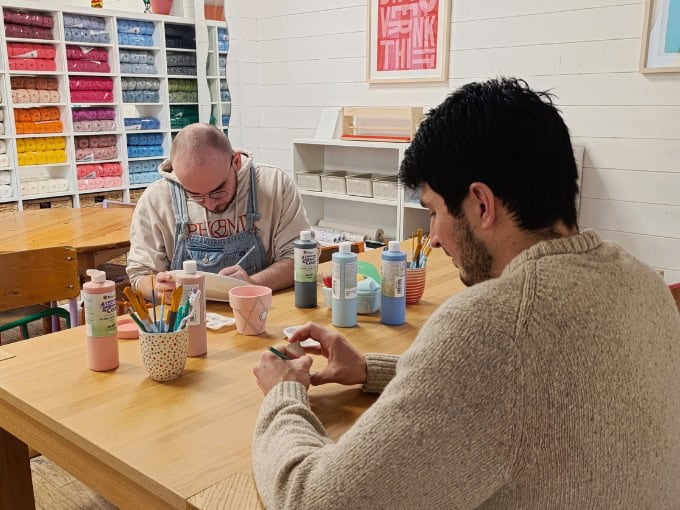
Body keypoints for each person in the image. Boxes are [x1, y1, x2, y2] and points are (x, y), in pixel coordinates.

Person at [251, 78, 680, 509]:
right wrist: (371, 369)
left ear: (480, 203)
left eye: (434, 211)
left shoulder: (495, 324)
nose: (432, 238)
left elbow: (313, 502)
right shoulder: (640, 279)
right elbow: (532, 384)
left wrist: (284, 394)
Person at [126, 123, 311, 300]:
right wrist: (158, 289)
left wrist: (253, 283)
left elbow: (301, 259)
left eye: (217, 192)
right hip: (187, 319)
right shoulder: (156, 198)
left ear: (236, 161)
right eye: (195, 195)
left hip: (260, 309)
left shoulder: (274, 185)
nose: (209, 204)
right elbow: (140, 275)